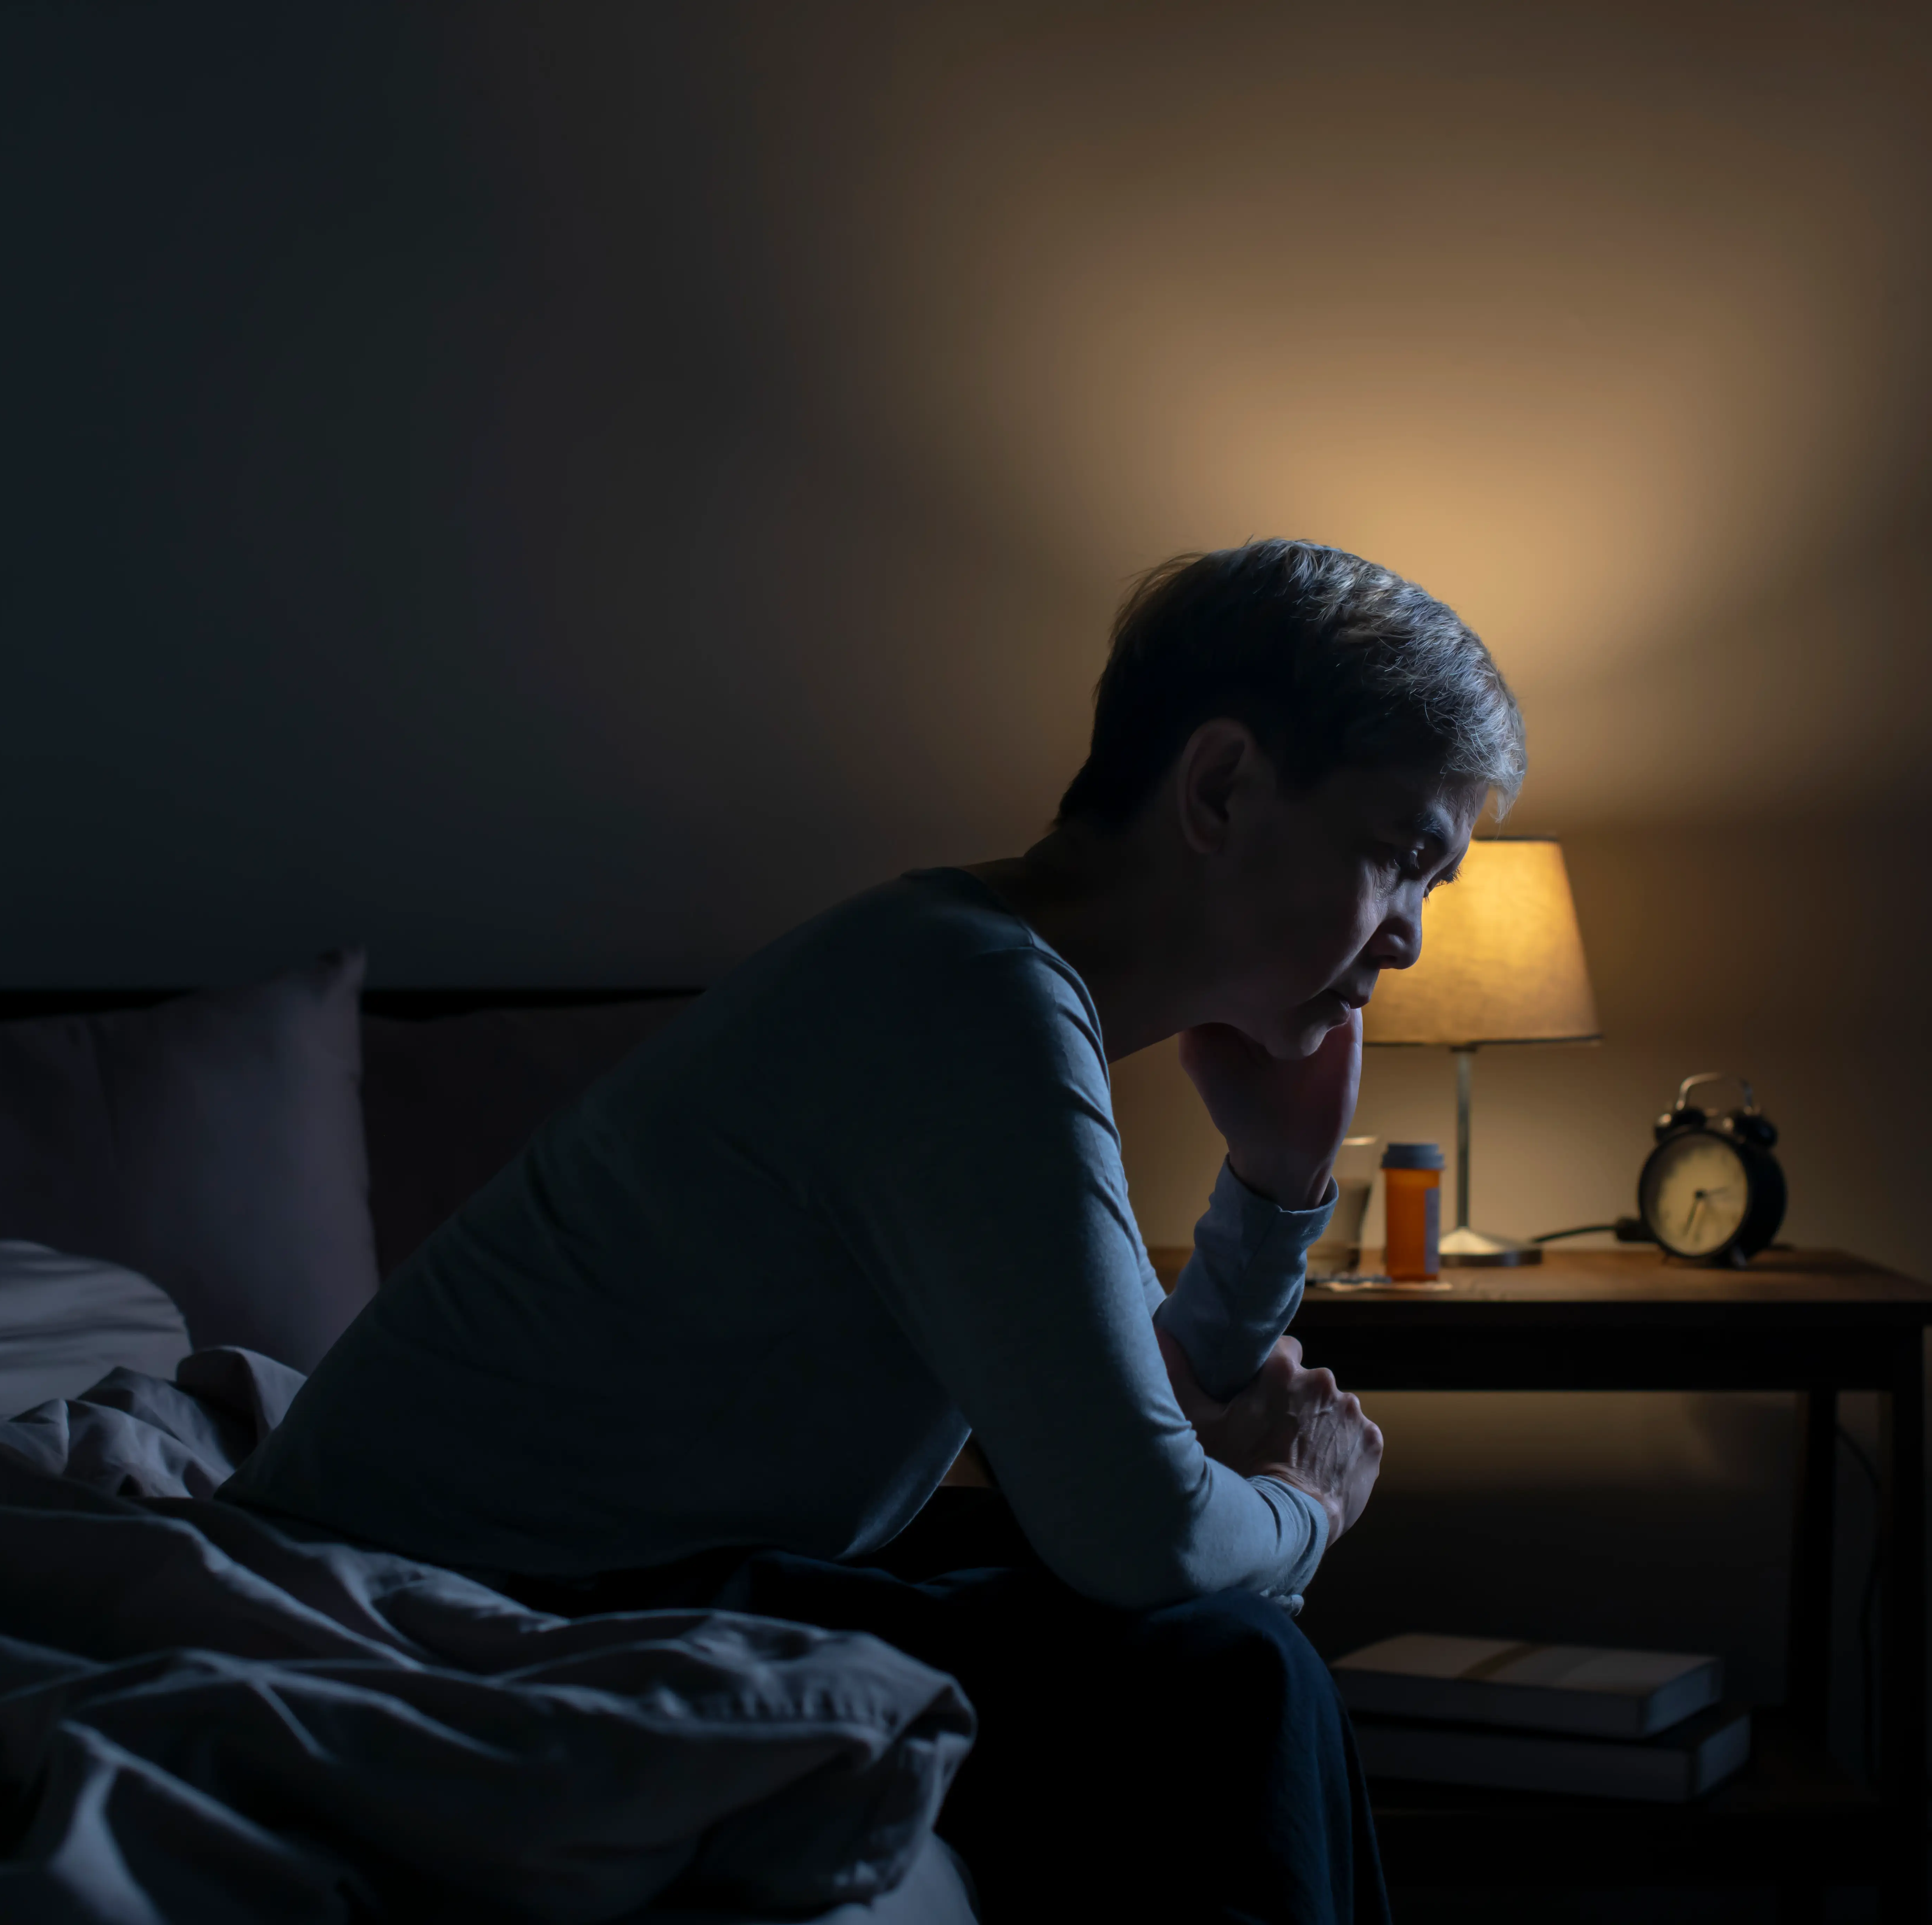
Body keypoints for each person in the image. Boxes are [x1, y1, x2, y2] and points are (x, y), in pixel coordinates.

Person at [223, 538, 1527, 1924]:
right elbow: (1143, 1530)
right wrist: (1309, 1506)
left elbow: (1117, 1442)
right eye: (1402, 857)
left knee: (1200, 1649)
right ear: (1218, 787)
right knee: (1229, 1675)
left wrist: (1274, 1188)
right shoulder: (972, 1002)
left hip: (614, 1566)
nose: (1411, 942)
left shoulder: (977, 974)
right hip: (460, 1596)